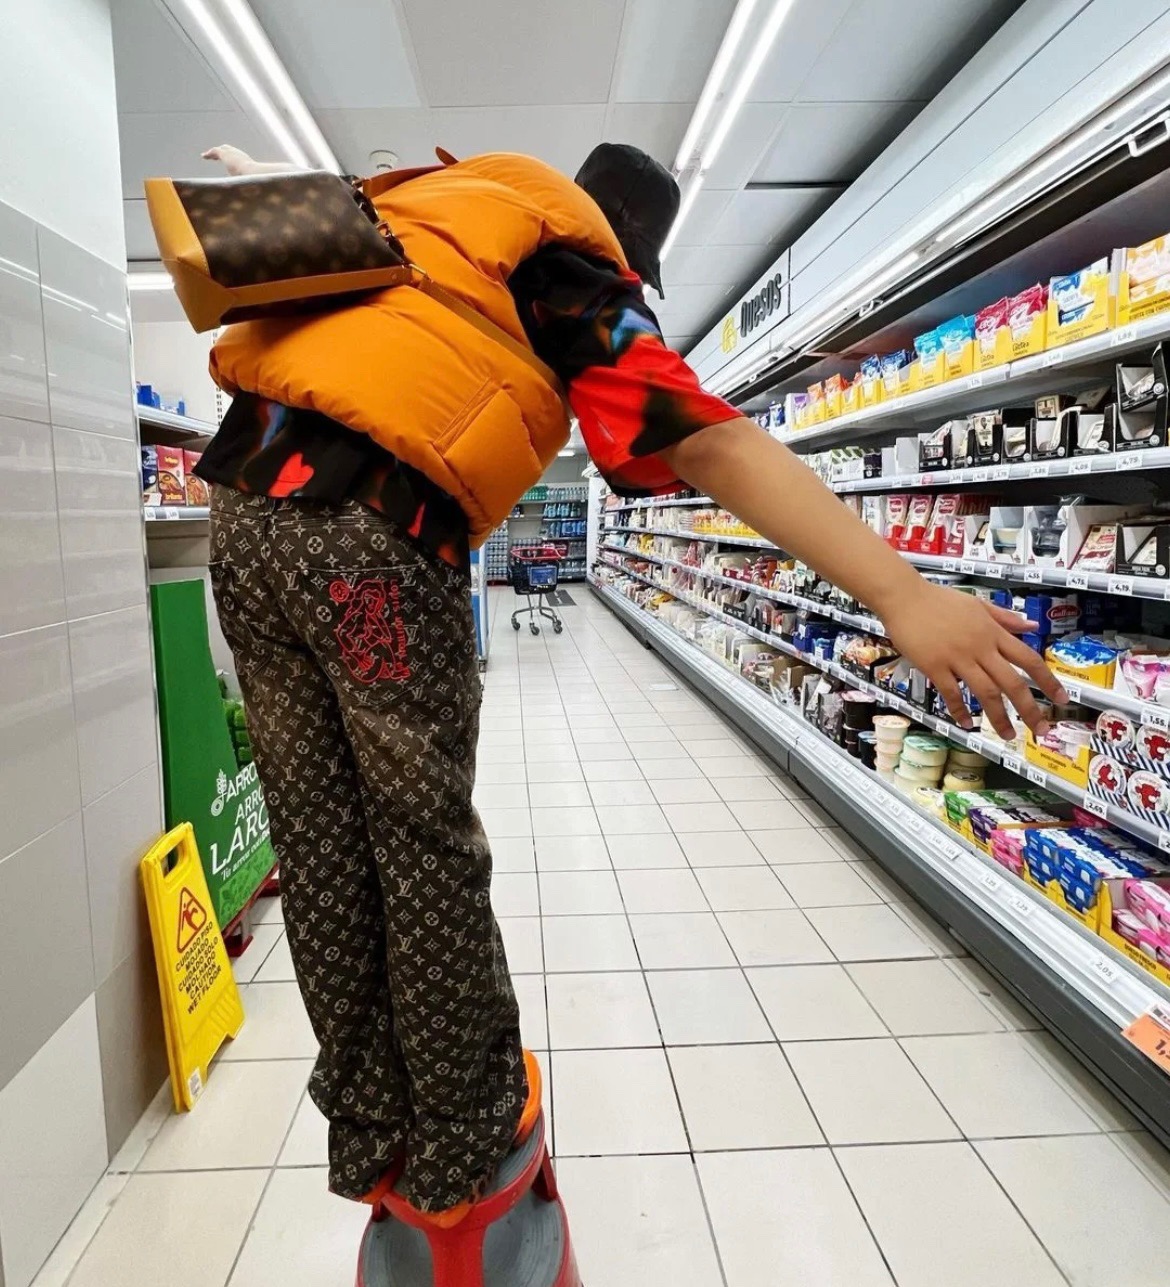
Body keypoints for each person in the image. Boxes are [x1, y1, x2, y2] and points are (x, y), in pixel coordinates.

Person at [195, 140, 1066, 1226]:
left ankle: (369, 1121)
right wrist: (899, 592)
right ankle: (460, 1137)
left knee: (319, 834)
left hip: (240, 523)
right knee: (418, 839)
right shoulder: (568, 267)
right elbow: (703, 442)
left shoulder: (438, 212)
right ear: (620, 242)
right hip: (363, 544)